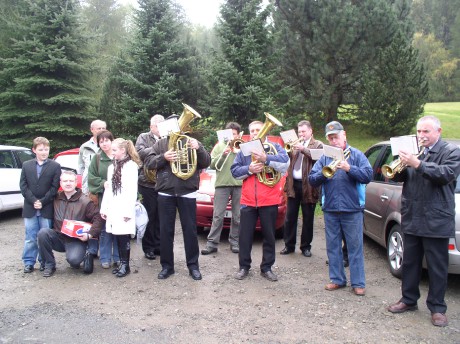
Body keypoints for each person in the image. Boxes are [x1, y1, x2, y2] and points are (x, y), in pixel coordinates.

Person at [387, 116, 460, 327]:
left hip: (436, 218)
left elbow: (445, 175)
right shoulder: (415, 152)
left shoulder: (451, 151)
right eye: (419, 132)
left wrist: (417, 163)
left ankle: (437, 308)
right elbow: (402, 178)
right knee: (410, 263)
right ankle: (408, 300)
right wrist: (398, 168)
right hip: (412, 215)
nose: (421, 136)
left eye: (426, 132)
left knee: (437, 266)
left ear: (438, 131)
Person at [144, 115, 211, 280]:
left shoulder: (191, 141)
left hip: (187, 191)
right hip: (166, 191)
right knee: (166, 231)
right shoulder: (160, 143)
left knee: (190, 230)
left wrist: (199, 148)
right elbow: (148, 163)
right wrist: (163, 157)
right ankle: (167, 267)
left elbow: (206, 162)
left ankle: (193, 266)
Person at [309, 121, 372, 296]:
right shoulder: (324, 157)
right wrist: (324, 172)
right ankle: (337, 279)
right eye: (330, 138)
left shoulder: (357, 155)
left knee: (355, 247)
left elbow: (368, 175)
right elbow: (312, 179)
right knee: (333, 246)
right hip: (330, 209)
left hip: (352, 209)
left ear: (344, 135)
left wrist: (349, 168)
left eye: (336, 137)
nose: (333, 140)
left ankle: (358, 283)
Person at [231, 120, 289, 282]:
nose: (256, 132)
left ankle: (267, 268)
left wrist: (266, 158)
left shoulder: (275, 148)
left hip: (269, 200)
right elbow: (234, 172)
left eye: (259, 129)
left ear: (265, 130)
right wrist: (249, 169)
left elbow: (285, 165)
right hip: (248, 200)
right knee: (245, 236)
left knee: (269, 236)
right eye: (253, 130)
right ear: (250, 133)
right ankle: (244, 267)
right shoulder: (244, 151)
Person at [37, 170, 104, 277]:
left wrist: (89, 235)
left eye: (71, 181)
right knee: (43, 233)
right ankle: (49, 264)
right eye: (65, 181)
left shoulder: (85, 201)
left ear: (76, 182)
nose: (68, 183)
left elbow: (99, 219)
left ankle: (84, 253)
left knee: (74, 261)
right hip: (58, 237)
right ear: (60, 183)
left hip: (76, 240)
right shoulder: (55, 198)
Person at [281, 120, 323, 257]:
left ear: (311, 131)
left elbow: (318, 157)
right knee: (290, 217)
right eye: (299, 132)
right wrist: (289, 151)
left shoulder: (318, 144)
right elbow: (290, 161)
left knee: (308, 218)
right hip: (294, 185)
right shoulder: (294, 145)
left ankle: (305, 247)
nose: (301, 134)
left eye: (304, 131)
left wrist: (303, 149)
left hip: (309, 186)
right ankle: (289, 245)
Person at [100, 138, 141, 278]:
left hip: (124, 207)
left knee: (124, 237)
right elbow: (109, 189)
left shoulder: (131, 166)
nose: (112, 153)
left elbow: (131, 191)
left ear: (123, 150)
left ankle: (125, 265)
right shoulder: (112, 167)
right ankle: (122, 263)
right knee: (117, 235)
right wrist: (104, 208)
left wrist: (128, 211)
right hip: (113, 206)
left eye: (115, 150)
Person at [20, 137, 61, 273]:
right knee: (30, 237)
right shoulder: (26, 165)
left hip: (46, 207)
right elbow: (23, 186)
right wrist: (34, 201)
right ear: (34, 150)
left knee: (44, 237)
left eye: (46, 149)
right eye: (41, 149)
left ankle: (45, 261)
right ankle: (29, 262)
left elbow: (54, 187)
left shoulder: (55, 166)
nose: (44, 152)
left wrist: (42, 201)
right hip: (30, 207)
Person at [201, 122, 243, 255]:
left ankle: (234, 242)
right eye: (230, 134)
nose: (232, 137)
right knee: (218, 216)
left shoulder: (242, 146)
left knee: (238, 216)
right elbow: (211, 165)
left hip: (239, 185)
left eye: (234, 134)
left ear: (238, 135)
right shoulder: (219, 146)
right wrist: (224, 153)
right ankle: (212, 243)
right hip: (221, 185)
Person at [87, 130, 119, 269]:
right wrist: (102, 183)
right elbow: (91, 177)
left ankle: (118, 257)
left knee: (118, 229)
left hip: (119, 199)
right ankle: (105, 258)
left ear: (112, 140)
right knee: (105, 229)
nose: (104, 143)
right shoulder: (97, 158)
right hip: (103, 199)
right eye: (101, 141)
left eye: (107, 140)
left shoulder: (119, 156)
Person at [135, 114, 165, 260]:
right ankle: (148, 247)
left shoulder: (168, 137)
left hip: (164, 183)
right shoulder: (143, 137)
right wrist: (158, 147)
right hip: (147, 183)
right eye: (157, 126)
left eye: (162, 125)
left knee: (161, 216)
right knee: (150, 216)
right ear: (151, 127)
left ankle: (159, 245)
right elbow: (139, 153)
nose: (159, 128)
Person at [78, 119, 107, 258]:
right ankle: (92, 249)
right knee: (91, 219)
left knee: (104, 218)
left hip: (104, 189)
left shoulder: (108, 145)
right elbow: (81, 168)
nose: (101, 130)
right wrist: (85, 188)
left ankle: (105, 251)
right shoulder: (84, 147)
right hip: (88, 189)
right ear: (92, 130)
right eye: (98, 128)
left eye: (103, 128)